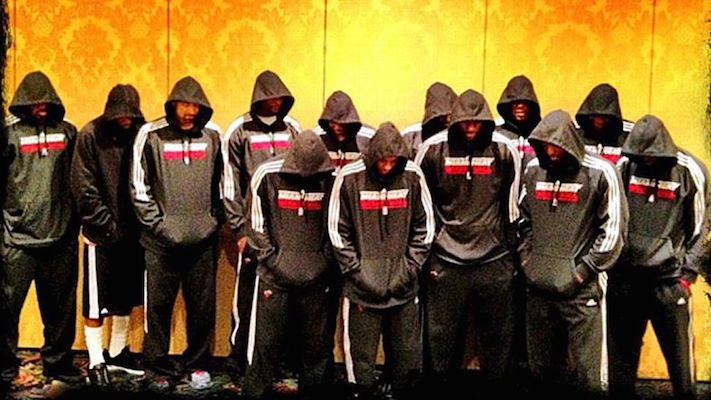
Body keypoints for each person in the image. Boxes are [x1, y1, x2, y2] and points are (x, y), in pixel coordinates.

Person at [415, 89, 522, 397]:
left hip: (494, 259)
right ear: (455, 120)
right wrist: (431, 250)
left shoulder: (505, 149)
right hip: (446, 260)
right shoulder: (432, 149)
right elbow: (422, 206)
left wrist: (511, 256)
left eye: (477, 123)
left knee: (498, 339)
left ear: (486, 121)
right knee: (441, 339)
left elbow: (512, 207)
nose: (472, 128)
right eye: (466, 123)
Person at [517, 109, 628, 398]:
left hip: (582, 290)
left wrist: (582, 272)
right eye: (545, 146)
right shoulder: (532, 169)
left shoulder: (602, 172)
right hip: (539, 287)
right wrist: (528, 262)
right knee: (542, 371)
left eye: (556, 145)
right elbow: (522, 220)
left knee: (590, 375)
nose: (551, 152)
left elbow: (613, 231)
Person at [328, 121, 435, 400]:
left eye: (392, 162)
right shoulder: (349, 176)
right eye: (382, 161)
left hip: (403, 284)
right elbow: (337, 231)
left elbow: (425, 228)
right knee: (360, 361)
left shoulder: (413, 175)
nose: (387, 167)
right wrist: (357, 272)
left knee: (406, 357)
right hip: (361, 287)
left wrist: (410, 269)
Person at [130, 76, 223, 390]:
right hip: (160, 244)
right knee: (157, 309)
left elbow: (224, 183)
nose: (189, 111)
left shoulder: (213, 135)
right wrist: (159, 226)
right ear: (173, 105)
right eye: (184, 105)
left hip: (202, 243)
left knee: (202, 309)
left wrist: (213, 222)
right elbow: (138, 187)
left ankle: (198, 364)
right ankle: (156, 368)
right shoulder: (150, 135)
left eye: (195, 106)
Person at [608, 114, 708, 400]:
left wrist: (687, 275)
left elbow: (702, 227)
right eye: (640, 153)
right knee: (621, 360)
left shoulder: (690, 170)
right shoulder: (624, 166)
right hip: (626, 280)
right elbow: (613, 216)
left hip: (669, 281)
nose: (646, 158)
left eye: (650, 153)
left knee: (680, 362)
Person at [0, 71, 82, 385]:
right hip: (16, 240)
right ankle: (5, 367)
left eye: (46, 102)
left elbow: (79, 182)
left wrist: (76, 226)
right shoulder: (8, 133)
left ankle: (58, 363)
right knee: (6, 310)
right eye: (35, 102)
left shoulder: (68, 132)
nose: (41, 107)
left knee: (61, 310)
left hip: (60, 238)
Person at [242, 129, 337, 400]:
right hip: (273, 277)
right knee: (264, 344)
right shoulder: (266, 174)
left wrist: (323, 262)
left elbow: (336, 225)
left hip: (317, 276)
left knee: (317, 345)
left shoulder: (331, 178)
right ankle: (255, 393)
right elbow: (256, 226)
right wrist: (273, 261)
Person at [222, 70, 301, 383]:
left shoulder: (293, 129)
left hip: (287, 232)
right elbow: (229, 185)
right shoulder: (238, 130)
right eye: (270, 98)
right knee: (246, 300)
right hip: (252, 231)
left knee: (284, 301)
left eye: (280, 98)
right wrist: (239, 230)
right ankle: (239, 361)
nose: (275, 103)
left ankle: (279, 361)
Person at [70, 84, 146, 387]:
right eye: (120, 114)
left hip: (134, 233)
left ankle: (116, 353)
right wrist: (108, 227)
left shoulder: (141, 133)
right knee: (96, 302)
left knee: (126, 297)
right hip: (100, 235)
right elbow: (84, 188)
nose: (126, 119)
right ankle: (96, 360)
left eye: (131, 114)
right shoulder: (90, 134)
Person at [315, 90, 374, 174]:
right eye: (332, 123)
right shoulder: (318, 136)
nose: (336, 128)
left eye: (342, 124)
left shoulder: (367, 136)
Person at [575, 83, 635, 164]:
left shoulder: (629, 134)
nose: (600, 121)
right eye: (595, 116)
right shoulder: (574, 131)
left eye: (605, 117)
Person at [401, 82, 457, 159]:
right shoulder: (410, 137)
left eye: (451, 115)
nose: (448, 120)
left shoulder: (465, 134)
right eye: (442, 117)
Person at [495, 74, 542, 166]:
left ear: (532, 105)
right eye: (515, 103)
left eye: (525, 102)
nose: (520, 106)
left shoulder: (541, 135)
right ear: (507, 105)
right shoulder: (497, 136)